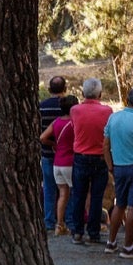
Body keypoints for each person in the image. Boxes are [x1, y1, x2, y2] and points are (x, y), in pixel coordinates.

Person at [68, 78, 112, 245]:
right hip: (100, 157)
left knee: (78, 195)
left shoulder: (75, 110)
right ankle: (93, 232)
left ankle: (77, 232)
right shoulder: (107, 111)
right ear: (100, 94)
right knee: (96, 197)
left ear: (82, 94)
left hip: (80, 157)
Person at [104, 87, 133, 255]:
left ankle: (111, 241)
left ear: (126, 99)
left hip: (118, 167)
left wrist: (110, 165)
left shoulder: (113, 118)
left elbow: (105, 145)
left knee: (119, 204)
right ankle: (128, 246)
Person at [39, 95, 79, 235]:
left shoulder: (56, 122)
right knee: (74, 194)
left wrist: (54, 144)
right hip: (70, 162)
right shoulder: (74, 123)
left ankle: (58, 225)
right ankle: (72, 222)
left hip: (57, 162)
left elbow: (43, 137)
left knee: (62, 194)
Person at [38, 75, 68, 232]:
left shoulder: (42, 107)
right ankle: (66, 220)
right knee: (67, 189)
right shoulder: (69, 107)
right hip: (67, 156)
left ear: (49, 89)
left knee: (49, 189)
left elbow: (38, 132)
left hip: (47, 154)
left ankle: (49, 220)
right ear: (65, 89)